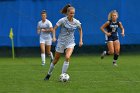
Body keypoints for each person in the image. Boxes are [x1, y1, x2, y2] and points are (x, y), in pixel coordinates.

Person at [44, 4, 83, 80]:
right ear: (67, 13)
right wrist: (54, 37)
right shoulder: (62, 20)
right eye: (71, 13)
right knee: (56, 60)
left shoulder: (76, 22)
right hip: (61, 42)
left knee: (67, 57)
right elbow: (54, 28)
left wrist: (81, 40)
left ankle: (63, 75)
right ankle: (49, 74)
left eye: (73, 13)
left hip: (70, 42)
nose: (72, 14)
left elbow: (80, 29)